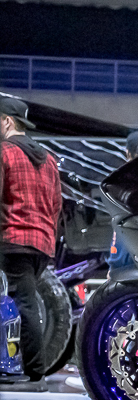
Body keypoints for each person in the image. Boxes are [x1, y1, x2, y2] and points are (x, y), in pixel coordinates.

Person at [0, 96, 62, 380]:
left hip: (12, 240)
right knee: (22, 303)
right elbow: (56, 206)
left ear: (7, 121)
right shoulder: (49, 160)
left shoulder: (5, 153)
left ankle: (34, 373)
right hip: (41, 245)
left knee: (22, 306)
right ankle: (20, 368)